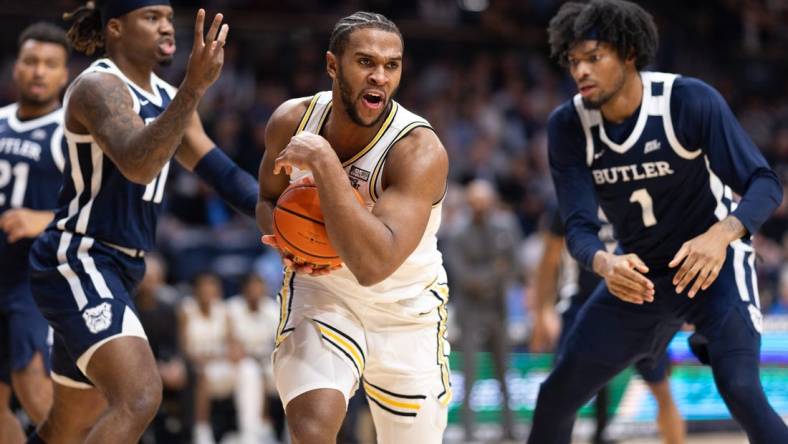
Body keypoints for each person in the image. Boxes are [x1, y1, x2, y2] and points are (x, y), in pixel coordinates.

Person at [528, 1, 788, 443]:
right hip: (640, 276)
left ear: (629, 53)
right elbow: (576, 227)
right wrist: (605, 265)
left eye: (594, 57)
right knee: (556, 395)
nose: (581, 71)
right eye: (574, 61)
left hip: (711, 268)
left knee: (741, 388)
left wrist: (722, 234)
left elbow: (765, 183)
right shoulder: (568, 126)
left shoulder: (687, 100)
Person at [26, 1, 259, 443]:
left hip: (121, 268)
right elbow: (137, 162)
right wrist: (193, 87)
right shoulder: (97, 87)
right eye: (151, 18)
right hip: (80, 258)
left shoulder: (168, 98)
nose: (166, 28)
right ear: (115, 28)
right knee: (140, 396)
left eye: (169, 18)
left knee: (68, 427)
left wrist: (281, 213)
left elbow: (223, 174)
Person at [255, 11, 450, 444]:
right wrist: (287, 243)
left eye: (391, 65)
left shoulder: (417, 150)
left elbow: (373, 265)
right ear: (332, 65)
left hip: (405, 310)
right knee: (312, 426)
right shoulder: (292, 121)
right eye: (365, 62)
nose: (380, 76)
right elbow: (268, 201)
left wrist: (324, 162)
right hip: (323, 295)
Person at [531, 209, 684, 444]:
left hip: (640, 305)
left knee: (662, 390)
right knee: (562, 395)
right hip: (581, 306)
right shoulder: (572, 198)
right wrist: (543, 312)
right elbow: (549, 259)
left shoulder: (638, 191)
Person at [0, 22, 70, 444]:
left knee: (32, 383)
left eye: (49, 64)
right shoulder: (0, 121)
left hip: (36, 278)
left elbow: (97, 209)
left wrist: (40, 218)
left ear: (65, 75)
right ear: (16, 68)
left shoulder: (72, 131)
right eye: (31, 62)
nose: (39, 71)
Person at [444, 179, 521, 442]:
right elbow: (465, 278)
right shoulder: (457, 233)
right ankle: (468, 432)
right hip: (470, 309)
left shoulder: (505, 226)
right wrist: (493, 272)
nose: (480, 208)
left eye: (484, 203)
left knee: (504, 371)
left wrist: (487, 277)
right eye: (475, 203)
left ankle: (510, 429)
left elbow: (513, 267)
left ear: (491, 203)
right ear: (468, 203)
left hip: (498, 308)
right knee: (470, 372)